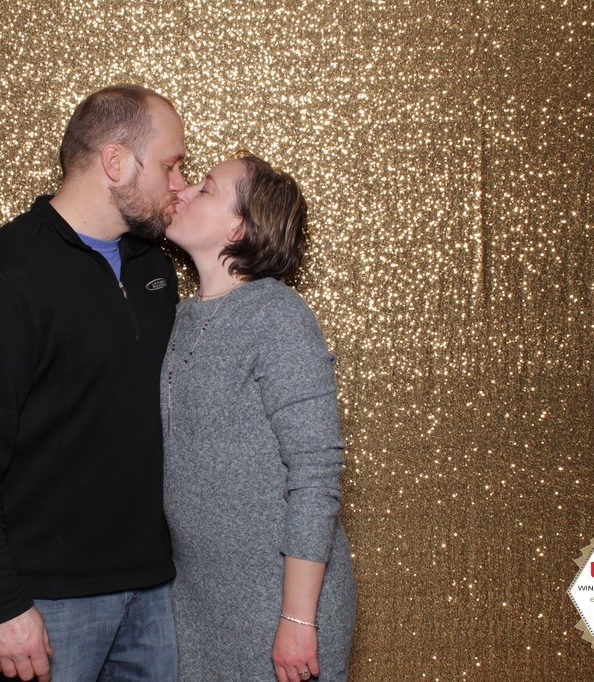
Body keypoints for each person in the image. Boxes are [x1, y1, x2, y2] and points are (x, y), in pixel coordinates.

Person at [0, 84, 186, 681]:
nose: (179, 183)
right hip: (47, 602)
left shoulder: (154, 267)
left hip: (153, 589)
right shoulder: (5, 278)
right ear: (115, 161)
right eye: (170, 165)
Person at [161, 153, 357, 681]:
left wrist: (298, 618)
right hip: (196, 601)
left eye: (205, 188)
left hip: (279, 603)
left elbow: (315, 474)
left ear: (239, 227)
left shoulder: (278, 315)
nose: (182, 192)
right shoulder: (177, 318)